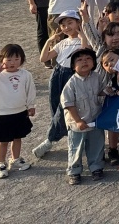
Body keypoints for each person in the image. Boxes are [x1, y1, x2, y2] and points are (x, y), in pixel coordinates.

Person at [34, 9, 90, 158]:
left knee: (63, 106)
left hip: (71, 74)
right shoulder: (62, 43)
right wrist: (49, 41)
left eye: (70, 23)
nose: (66, 27)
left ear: (78, 23)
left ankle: (50, 139)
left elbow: (84, 53)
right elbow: (43, 58)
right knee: (54, 106)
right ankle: (66, 134)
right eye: (63, 25)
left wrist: (82, 36)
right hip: (57, 73)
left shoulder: (83, 40)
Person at [0, 43, 36, 178]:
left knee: (17, 138)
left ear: (22, 59)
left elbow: (30, 90)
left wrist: (31, 105)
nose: (12, 62)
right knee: (3, 141)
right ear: (1, 60)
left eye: (16, 59)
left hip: (20, 112)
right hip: (2, 114)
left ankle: (15, 159)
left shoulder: (25, 75)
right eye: (8, 59)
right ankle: (0, 163)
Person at [60, 48, 105, 185]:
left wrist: (109, 91)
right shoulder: (71, 83)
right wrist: (78, 120)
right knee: (76, 147)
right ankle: (74, 170)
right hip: (77, 123)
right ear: (73, 66)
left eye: (88, 59)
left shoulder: (97, 77)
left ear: (94, 63)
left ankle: (96, 167)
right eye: (79, 60)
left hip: (95, 119)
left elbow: (101, 91)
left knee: (96, 145)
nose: (84, 62)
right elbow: (68, 104)